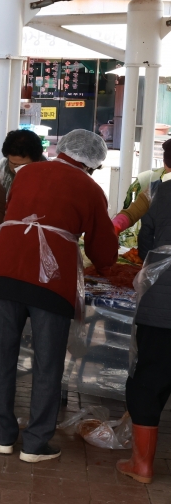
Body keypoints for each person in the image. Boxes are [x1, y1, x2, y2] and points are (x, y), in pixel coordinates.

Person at [0, 129, 118, 463]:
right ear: (92, 163)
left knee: (1, 355)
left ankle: (2, 436)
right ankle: (35, 444)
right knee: (47, 363)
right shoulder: (90, 188)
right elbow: (104, 253)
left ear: (63, 149)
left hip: (5, 270)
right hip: (51, 278)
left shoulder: (26, 173)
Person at [116, 143, 171, 484]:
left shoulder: (161, 192)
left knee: (149, 381)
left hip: (162, 304)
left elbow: (147, 241)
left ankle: (142, 466)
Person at [0, 129, 46, 236]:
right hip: (7, 230)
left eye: (22, 166)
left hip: (38, 232)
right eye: (12, 163)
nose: (15, 169)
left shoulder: (49, 174)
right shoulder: (3, 170)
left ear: (37, 160)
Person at [110, 139, 171, 238]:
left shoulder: (154, 190)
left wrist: (115, 226)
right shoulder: (154, 190)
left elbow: (131, 214)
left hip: (158, 251)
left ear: (164, 163)